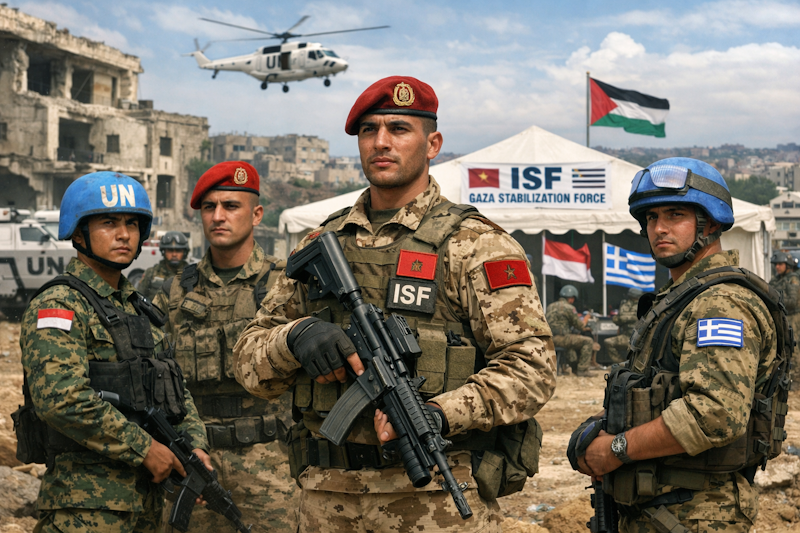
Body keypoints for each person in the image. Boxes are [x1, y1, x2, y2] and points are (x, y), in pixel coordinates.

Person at [232, 76, 556, 532]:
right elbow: (248, 365)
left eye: (399, 129)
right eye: (369, 130)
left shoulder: (474, 244)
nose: (381, 142)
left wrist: (441, 414)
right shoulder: (321, 243)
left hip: (436, 503)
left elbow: (532, 368)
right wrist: (296, 337)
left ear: (432, 144)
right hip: (326, 499)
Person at [567, 158, 790, 533]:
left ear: (711, 223)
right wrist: (602, 428)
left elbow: (715, 414)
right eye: (652, 217)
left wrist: (617, 448)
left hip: (697, 513)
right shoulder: (681, 299)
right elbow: (653, 392)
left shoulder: (720, 303)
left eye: (675, 215)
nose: (659, 228)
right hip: (660, 509)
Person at [19, 171, 210, 533]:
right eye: (109, 223)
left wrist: (194, 445)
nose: (124, 234)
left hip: (145, 508)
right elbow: (60, 398)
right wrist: (145, 448)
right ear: (79, 233)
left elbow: (174, 387)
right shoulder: (59, 304)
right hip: (84, 510)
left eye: (132, 224)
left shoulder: (139, 308)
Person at [152, 161, 297, 533]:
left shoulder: (288, 284)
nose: (218, 216)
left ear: (257, 214)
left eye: (231, 206)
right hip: (195, 464)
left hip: (273, 468)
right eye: (209, 207)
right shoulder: (173, 293)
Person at [546, 285, 594, 376]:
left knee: (571, 348)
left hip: (550, 339)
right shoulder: (569, 308)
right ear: (571, 298)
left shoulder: (550, 306)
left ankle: (575, 368)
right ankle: (582, 370)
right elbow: (580, 326)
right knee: (588, 341)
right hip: (562, 338)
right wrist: (586, 319)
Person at [137, 230, 190, 301]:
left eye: (178, 250)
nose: (174, 254)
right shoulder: (151, 273)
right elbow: (139, 298)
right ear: (163, 252)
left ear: (184, 252)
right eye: (170, 250)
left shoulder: (192, 275)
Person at [603, 287, 643, 364]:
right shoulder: (624, 304)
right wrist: (625, 318)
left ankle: (634, 365)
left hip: (639, 338)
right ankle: (621, 363)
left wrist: (624, 318)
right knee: (608, 342)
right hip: (626, 337)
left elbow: (639, 318)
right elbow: (616, 319)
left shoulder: (643, 305)